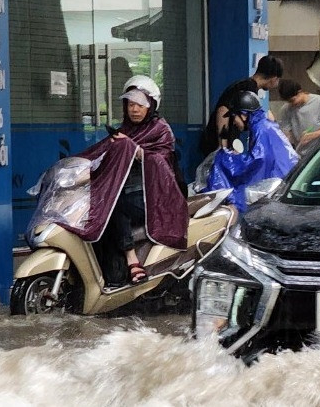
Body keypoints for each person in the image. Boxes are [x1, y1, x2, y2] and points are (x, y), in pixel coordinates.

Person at [59, 76, 188, 285]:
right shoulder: (125, 131)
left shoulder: (161, 130)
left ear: (151, 106)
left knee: (113, 204)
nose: (134, 109)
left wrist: (135, 151)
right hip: (126, 193)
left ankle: (131, 259)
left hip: (154, 198)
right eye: (130, 104)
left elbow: (162, 163)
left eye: (139, 105)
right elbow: (100, 158)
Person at [204, 90, 299, 211]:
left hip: (277, 186)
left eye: (234, 117)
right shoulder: (264, 126)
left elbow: (257, 162)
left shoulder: (261, 130)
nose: (233, 122)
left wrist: (228, 159)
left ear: (243, 115)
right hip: (284, 184)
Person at [199, 55, 284, 155]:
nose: (277, 84)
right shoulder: (247, 88)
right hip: (217, 144)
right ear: (274, 78)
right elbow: (223, 110)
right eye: (278, 80)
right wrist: (223, 147)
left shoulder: (248, 87)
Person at [277, 79, 320, 155]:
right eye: (288, 102)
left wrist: (312, 135)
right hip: (301, 153)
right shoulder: (286, 109)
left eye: (293, 100)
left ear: (300, 92)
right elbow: (287, 133)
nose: (292, 104)